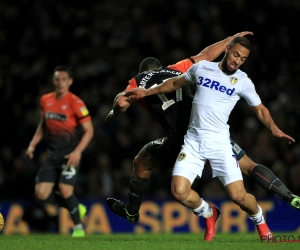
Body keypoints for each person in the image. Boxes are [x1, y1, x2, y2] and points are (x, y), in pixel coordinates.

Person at [125, 36, 296, 241]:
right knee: (179, 192)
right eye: (235, 55)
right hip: (193, 141)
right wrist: (146, 92)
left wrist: (274, 128)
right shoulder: (202, 68)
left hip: (219, 144)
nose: (237, 61)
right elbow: (172, 84)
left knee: (239, 197)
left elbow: (259, 108)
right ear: (227, 50)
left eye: (243, 59)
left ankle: (260, 220)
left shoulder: (242, 81)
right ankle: (208, 212)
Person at [26, 65, 94, 237]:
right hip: (52, 154)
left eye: (64, 79)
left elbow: (89, 130)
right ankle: (76, 207)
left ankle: (78, 228)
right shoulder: (45, 100)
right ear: (53, 81)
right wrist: (33, 144)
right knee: (40, 193)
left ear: (70, 82)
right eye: (57, 79)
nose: (60, 83)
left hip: (69, 154)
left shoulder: (76, 102)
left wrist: (78, 152)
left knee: (65, 188)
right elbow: (43, 125)